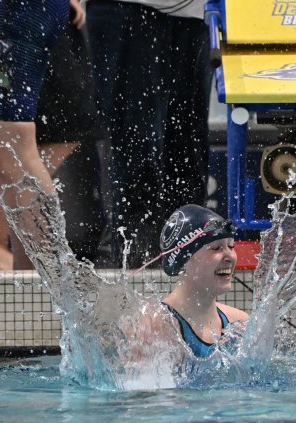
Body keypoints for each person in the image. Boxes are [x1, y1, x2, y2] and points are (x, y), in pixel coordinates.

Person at [0, 0, 98, 270]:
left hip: (11, 13)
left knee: (9, 140)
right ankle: (40, 279)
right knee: (16, 142)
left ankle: (45, 283)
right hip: (40, 12)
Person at [86, 0, 213, 269]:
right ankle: (132, 265)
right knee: (135, 147)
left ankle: (188, 259)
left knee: (187, 154)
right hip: (126, 9)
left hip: (195, 15)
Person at [140, 204, 249, 357]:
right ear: (184, 260)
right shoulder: (155, 328)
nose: (230, 257)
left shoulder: (239, 324)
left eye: (231, 246)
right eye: (216, 248)